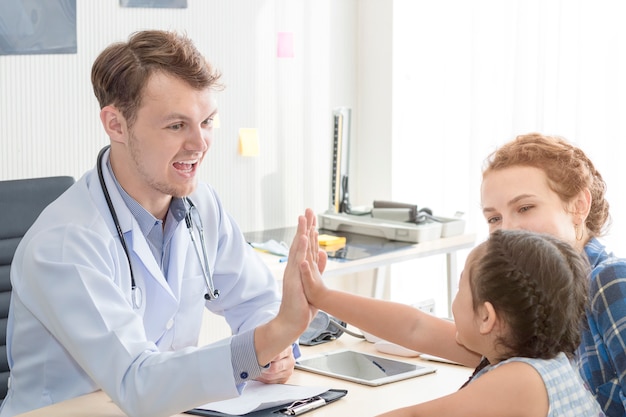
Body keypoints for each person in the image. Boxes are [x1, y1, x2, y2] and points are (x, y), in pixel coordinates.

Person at [0, 30, 321, 417]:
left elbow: (257, 301)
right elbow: (137, 381)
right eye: (176, 126)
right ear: (116, 125)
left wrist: (273, 352)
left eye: (207, 122)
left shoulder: (201, 204)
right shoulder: (65, 244)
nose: (199, 144)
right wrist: (265, 340)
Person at [300, 227, 604, 416]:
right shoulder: (524, 352)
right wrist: (322, 295)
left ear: (486, 317)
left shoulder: (522, 380)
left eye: (461, 286)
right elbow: (414, 327)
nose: (455, 297)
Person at [481, 133, 626, 416]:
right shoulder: (536, 292)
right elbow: (448, 336)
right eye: (494, 219)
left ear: (579, 206)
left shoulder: (610, 281)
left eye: (525, 208)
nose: (507, 230)